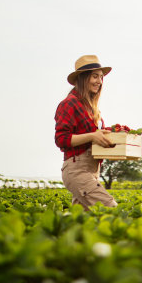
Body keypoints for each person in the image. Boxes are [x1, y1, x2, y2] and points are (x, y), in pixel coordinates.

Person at [54, 54, 118, 211]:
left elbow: (94, 138)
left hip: (92, 169)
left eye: (101, 77)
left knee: (82, 220)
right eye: (95, 76)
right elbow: (61, 139)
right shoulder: (69, 103)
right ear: (83, 78)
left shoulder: (91, 108)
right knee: (109, 208)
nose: (99, 81)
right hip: (77, 169)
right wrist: (92, 136)